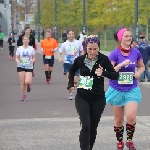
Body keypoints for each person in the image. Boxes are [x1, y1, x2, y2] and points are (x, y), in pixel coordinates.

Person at [67, 35, 119, 150]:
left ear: (98, 48)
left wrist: (104, 73)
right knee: (86, 126)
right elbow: (72, 70)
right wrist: (70, 84)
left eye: (95, 49)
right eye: (90, 49)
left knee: (92, 128)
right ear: (86, 48)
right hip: (82, 97)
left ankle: (89, 147)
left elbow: (115, 75)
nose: (92, 51)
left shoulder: (103, 59)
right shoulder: (80, 60)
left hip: (98, 98)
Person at [105, 28, 145, 150]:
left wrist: (138, 73)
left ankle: (129, 140)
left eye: (130, 36)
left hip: (131, 89)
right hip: (116, 89)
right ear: (120, 38)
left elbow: (142, 66)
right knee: (118, 120)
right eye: (126, 36)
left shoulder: (136, 52)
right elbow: (109, 72)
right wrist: (121, 64)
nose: (129, 38)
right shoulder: (114, 54)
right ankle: (119, 141)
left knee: (131, 117)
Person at [58, 29, 84, 100]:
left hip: (76, 63)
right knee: (69, 78)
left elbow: (82, 51)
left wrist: (81, 58)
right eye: (70, 34)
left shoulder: (78, 43)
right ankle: (70, 93)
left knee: (75, 81)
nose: (71, 35)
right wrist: (60, 58)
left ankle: (73, 90)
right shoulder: (64, 44)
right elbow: (59, 52)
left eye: (72, 34)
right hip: (67, 63)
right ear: (67, 35)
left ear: (74, 35)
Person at [16, 35, 35, 101]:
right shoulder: (19, 49)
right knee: (22, 82)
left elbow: (34, 57)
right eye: (24, 39)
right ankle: (23, 95)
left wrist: (32, 61)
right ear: (22, 40)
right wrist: (18, 61)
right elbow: (17, 57)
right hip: (21, 66)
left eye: (27, 39)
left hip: (29, 66)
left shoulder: (31, 49)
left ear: (29, 41)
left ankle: (28, 85)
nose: (26, 40)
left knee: (27, 81)